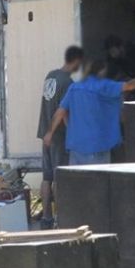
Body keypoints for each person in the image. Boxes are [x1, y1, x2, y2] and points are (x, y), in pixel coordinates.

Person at [44, 60, 135, 165]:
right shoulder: (103, 86)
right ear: (101, 72)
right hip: (97, 147)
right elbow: (130, 86)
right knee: (98, 186)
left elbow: (60, 112)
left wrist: (49, 133)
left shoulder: (74, 88)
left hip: (75, 148)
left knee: (80, 188)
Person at [36, 46, 83, 224]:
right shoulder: (68, 83)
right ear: (76, 61)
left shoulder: (51, 75)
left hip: (45, 134)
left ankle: (46, 216)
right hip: (58, 136)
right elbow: (64, 112)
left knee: (46, 178)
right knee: (59, 178)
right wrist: (73, 136)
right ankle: (60, 217)